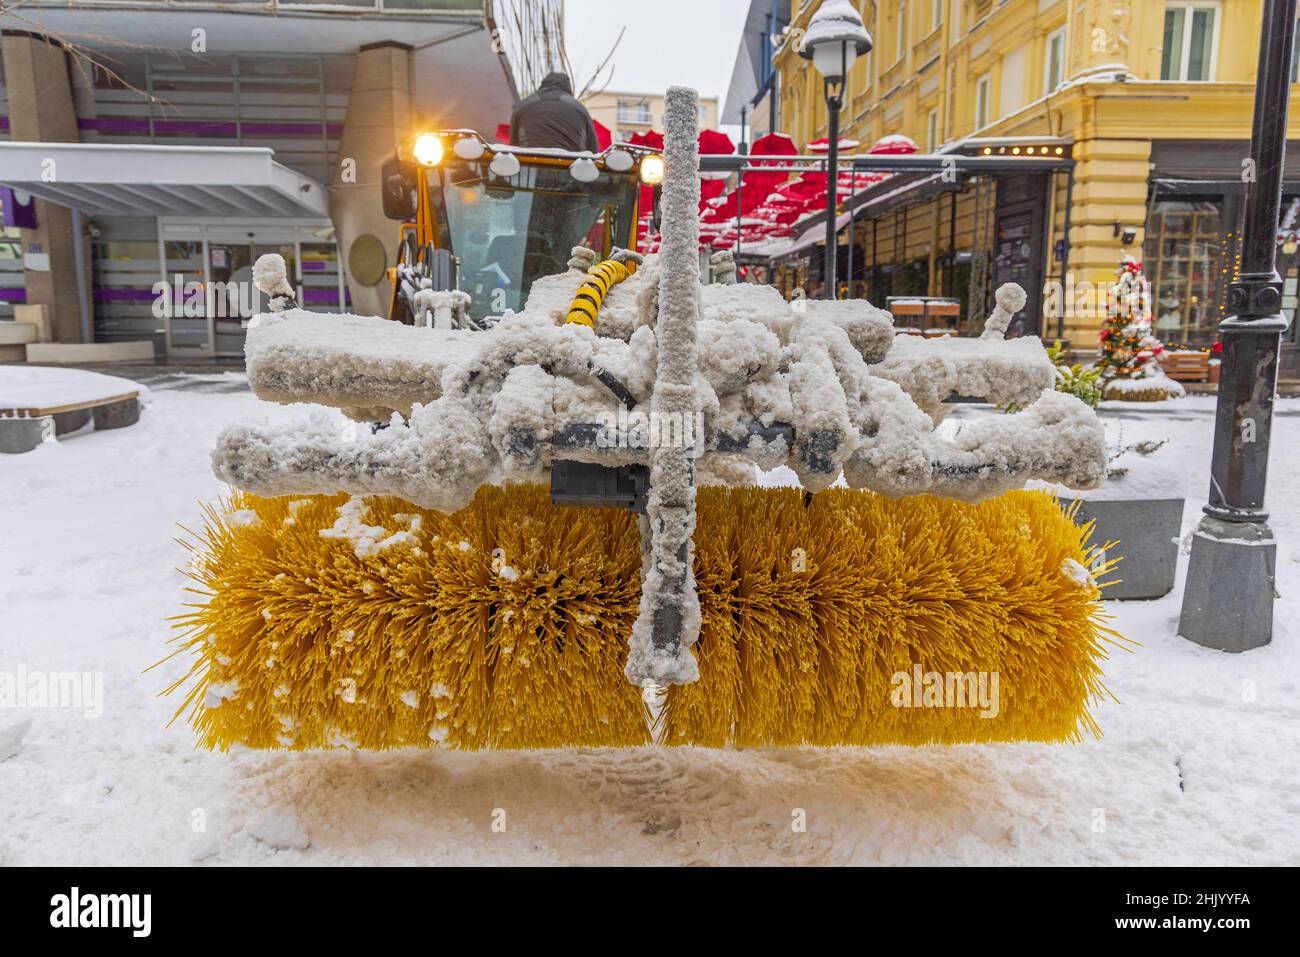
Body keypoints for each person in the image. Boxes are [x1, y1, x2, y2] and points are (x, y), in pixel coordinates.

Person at [508, 73, 599, 153]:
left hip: (529, 164)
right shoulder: (579, 108)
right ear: (568, 88)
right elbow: (593, 148)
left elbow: (513, 145)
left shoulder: (522, 106)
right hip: (569, 166)